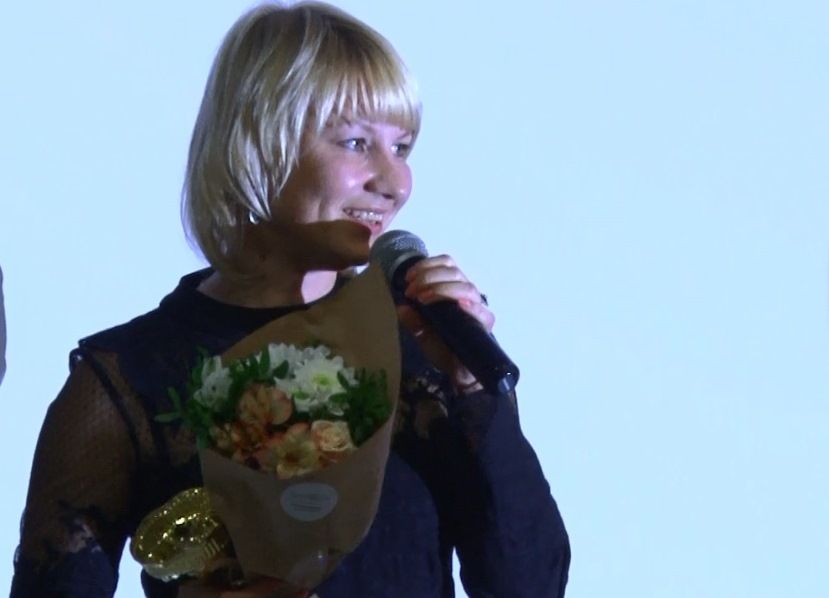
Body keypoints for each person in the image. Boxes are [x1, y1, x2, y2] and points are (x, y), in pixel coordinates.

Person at [11, 3, 570, 597]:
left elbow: (528, 585)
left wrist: (474, 391)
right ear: (259, 143)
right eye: (356, 142)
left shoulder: (424, 351)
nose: (395, 183)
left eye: (403, 148)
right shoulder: (130, 377)